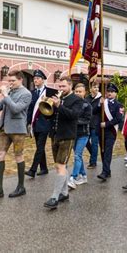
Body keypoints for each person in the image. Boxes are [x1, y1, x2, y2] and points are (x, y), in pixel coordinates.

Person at [0, 70, 32, 200]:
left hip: (18, 129)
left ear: (20, 79)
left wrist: (5, 95)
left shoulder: (26, 94)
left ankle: (21, 186)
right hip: (4, 128)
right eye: (9, 81)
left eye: (13, 81)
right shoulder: (9, 92)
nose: (10, 83)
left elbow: (16, 109)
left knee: (18, 156)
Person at [44, 77, 83, 209]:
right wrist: (46, 107)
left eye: (63, 87)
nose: (60, 89)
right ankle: (65, 192)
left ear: (70, 86)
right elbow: (50, 116)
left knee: (61, 165)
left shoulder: (77, 100)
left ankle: (55, 197)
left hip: (67, 136)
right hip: (55, 135)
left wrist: (59, 105)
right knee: (59, 166)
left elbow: (73, 115)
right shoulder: (57, 97)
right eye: (59, 86)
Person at [25, 70, 56, 178]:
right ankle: (44, 168)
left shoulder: (50, 92)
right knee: (39, 146)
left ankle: (33, 170)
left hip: (46, 123)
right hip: (35, 123)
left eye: (38, 78)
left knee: (40, 147)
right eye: (34, 79)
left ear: (43, 80)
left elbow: (54, 108)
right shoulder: (32, 93)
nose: (35, 80)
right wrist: (28, 123)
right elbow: (30, 109)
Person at [67, 83, 92, 189]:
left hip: (83, 134)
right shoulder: (71, 104)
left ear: (84, 92)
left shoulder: (87, 105)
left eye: (80, 92)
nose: (77, 94)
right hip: (73, 133)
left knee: (77, 155)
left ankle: (73, 177)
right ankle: (84, 176)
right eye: (76, 91)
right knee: (78, 156)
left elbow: (87, 120)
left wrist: (73, 120)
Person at [97, 83, 122, 181]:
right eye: (108, 91)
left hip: (110, 131)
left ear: (116, 94)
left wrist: (106, 124)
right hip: (101, 131)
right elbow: (94, 111)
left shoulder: (118, 105)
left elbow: (118, 119)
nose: (109, 93)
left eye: (112, 92)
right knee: (102, 151)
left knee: (107, 151)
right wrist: (99, 104)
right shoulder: (103, 102)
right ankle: (107, 171)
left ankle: (104, 172)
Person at [85, 82, 101, 169]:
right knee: (85, 142)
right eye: (95, 87)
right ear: (90, 89)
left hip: (96, 124)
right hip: (87, 123)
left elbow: (94, 110)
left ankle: (93, 162)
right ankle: (93, 154)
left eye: (97, 88)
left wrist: (99, 105)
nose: (97, 89)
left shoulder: (100, 99)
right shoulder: (87, 98)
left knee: (94, 143)